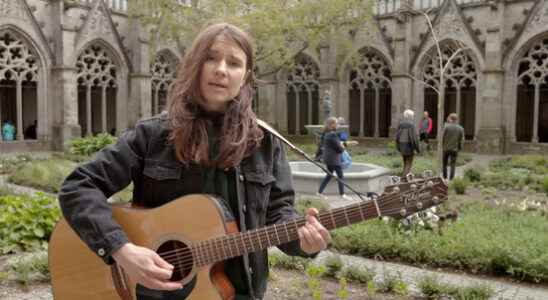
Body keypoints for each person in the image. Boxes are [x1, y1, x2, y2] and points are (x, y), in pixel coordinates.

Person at [58, 22, 330, 300]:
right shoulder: (152, 135)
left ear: (246, 76)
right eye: (211, 58)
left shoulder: (265, 142)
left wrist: (305, 242)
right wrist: (120, 249)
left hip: (241, 293)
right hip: (155, 294)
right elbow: (78, 187)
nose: (221, 69)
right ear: (194, 65)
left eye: (234, 63)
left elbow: (278, 214)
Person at [317, 117, 351, 200]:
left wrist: (344, 141)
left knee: (329, 176)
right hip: (334, 160)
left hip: (329, 159)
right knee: (340, 176)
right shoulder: (332, 134)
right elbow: (339, 149)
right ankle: (342, 195)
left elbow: (339, 139)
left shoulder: (327, 133)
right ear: (332, 125)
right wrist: (346, 144)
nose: (338, 125)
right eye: (336, 124)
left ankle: (319, 192)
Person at [395, 109, 420, 176]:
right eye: (412, 116)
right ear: (409, 116)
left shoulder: (400, 124)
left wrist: (398, 147)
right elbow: (414, 139)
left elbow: (397, 136)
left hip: (401, 146)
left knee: (405, 162)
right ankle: (404, 178)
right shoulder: (411, 125)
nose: (413, 117)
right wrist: (417, 149)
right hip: (409, 146)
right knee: (409, 163)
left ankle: (406, 177)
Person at [441, 113, 464, 180]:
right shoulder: (460, 128)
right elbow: (461, 140)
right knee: (453, 164)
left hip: (446, 148)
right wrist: (460, 147)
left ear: (451, 119)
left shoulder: (446, 127)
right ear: (457, 119)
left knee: (444, 163)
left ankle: (445, 177)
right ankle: (451, 178)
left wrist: (443, 145)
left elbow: (443, 137)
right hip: (455, 149)